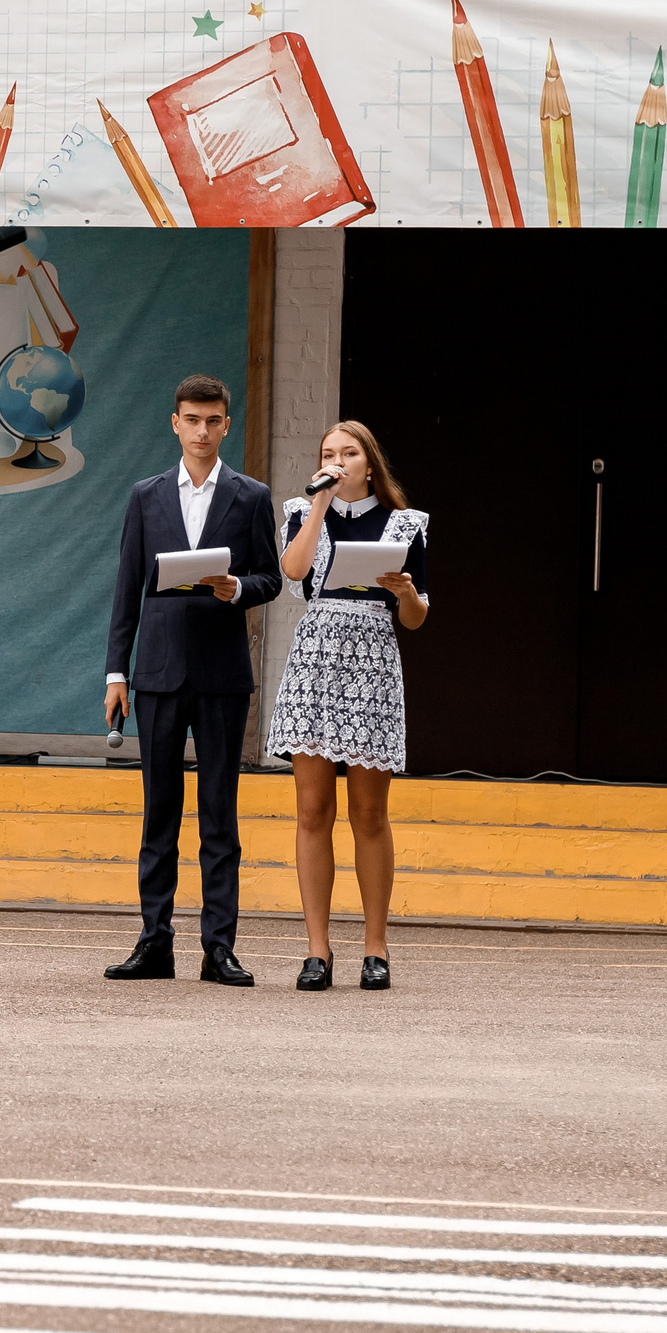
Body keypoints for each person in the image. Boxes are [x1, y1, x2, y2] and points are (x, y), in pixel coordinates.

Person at [102, 373, 281, 987]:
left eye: (213, 421)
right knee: (159, 814)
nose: (202, 431)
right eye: (191, 420)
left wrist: (237, 587)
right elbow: (127, 589)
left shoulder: (251, 496)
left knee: (218, 816)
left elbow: (272, 579)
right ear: (174, 423)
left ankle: (218, 948)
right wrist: (115, 673)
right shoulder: (145, 496)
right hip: (154, 673)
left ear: (227, 425)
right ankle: (154, 942)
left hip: (223, 676)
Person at [266, 421, 431, 993]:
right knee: (312, 810)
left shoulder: (404, 524)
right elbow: (293, 571)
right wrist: (319, 505)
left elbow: (414, 618)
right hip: (316, 660)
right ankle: (316, 952)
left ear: (369, 462)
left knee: (369, 814)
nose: (337, 461)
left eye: (348, 453)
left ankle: (376, 948)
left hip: (374, 659)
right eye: (328, 454)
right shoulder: (302, 509)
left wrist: (406, 592)